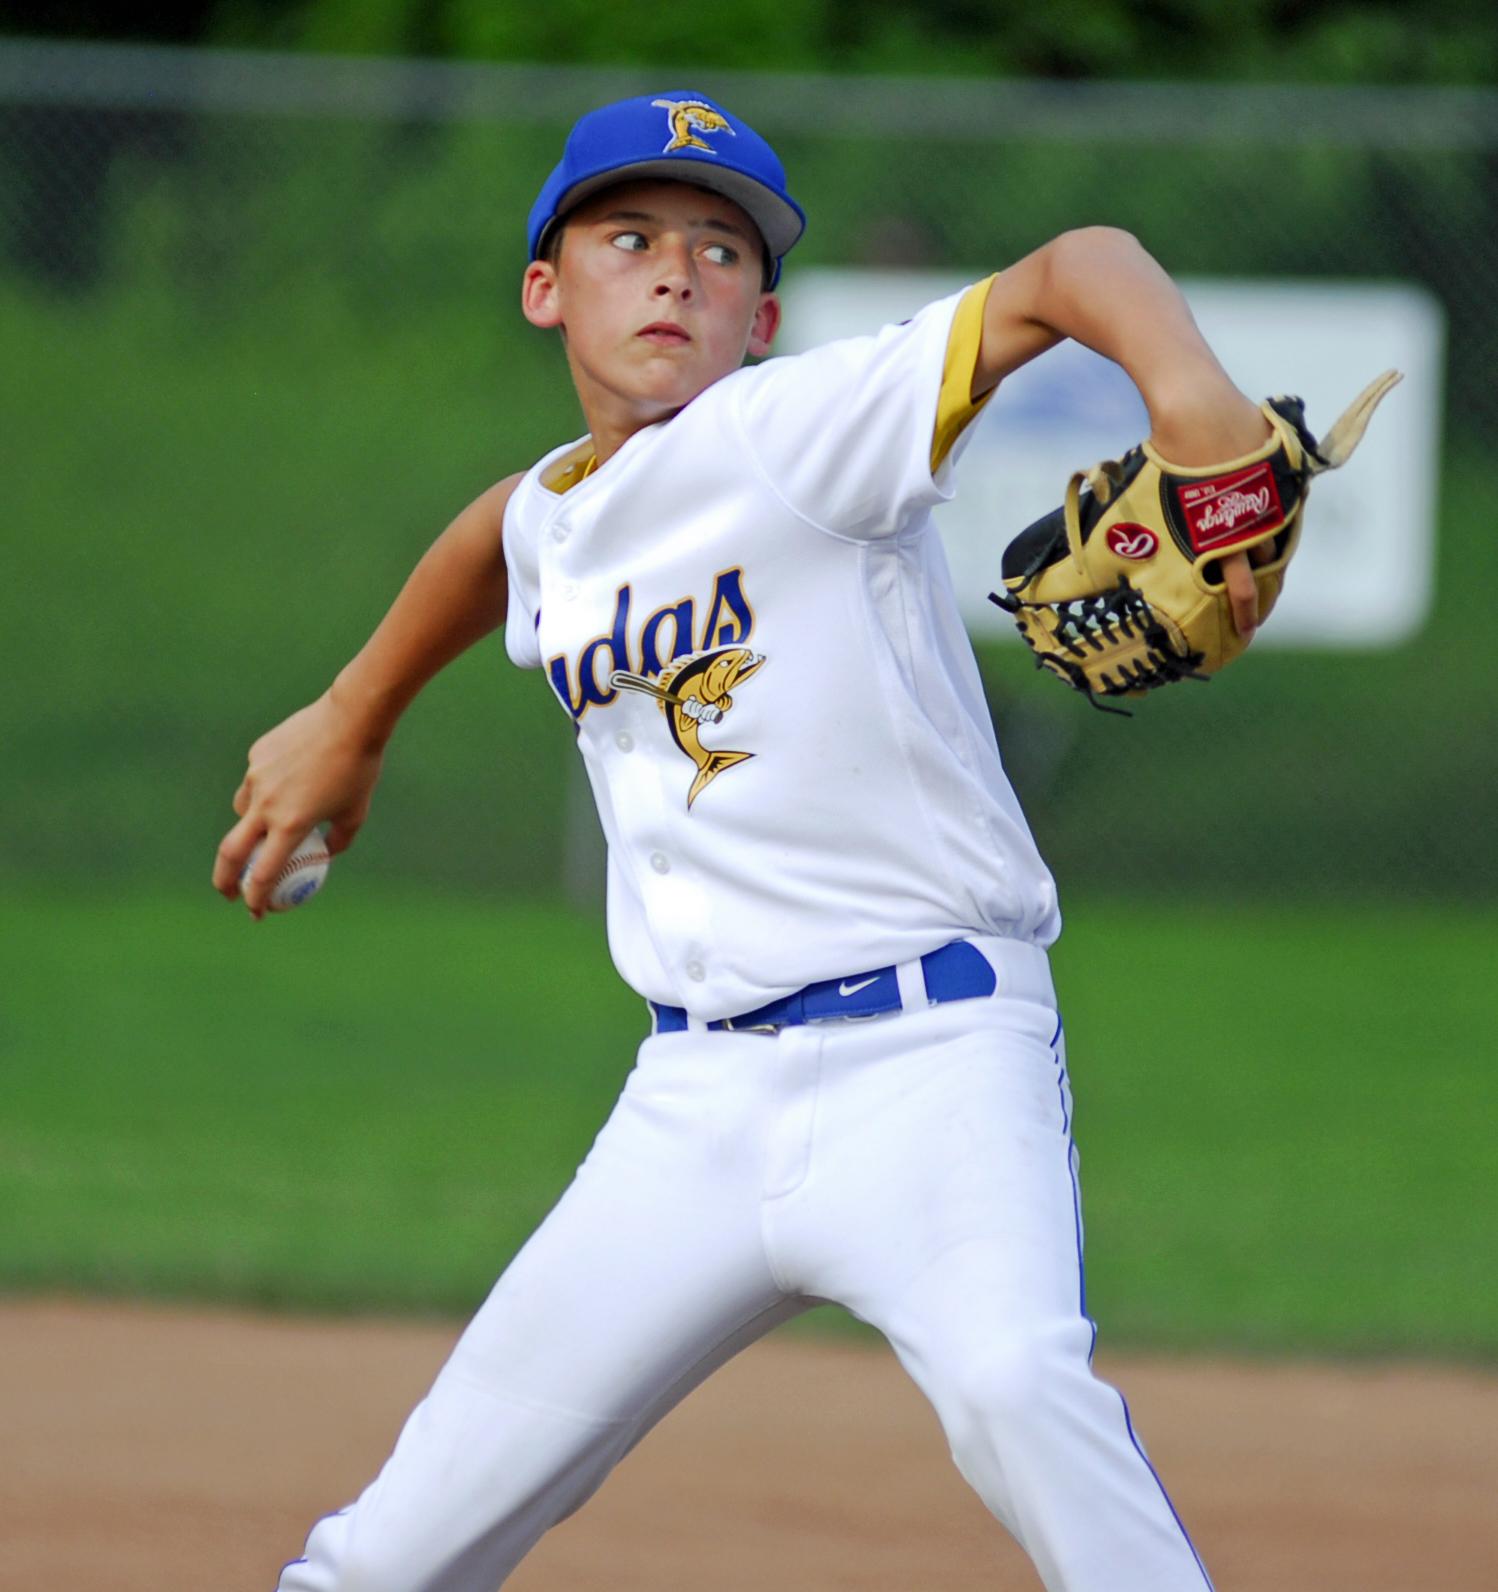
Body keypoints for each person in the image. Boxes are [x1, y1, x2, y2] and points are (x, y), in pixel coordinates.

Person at [215, 90, 1272, 1592]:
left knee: (1014, 1394)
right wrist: (356, 710)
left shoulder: (802, 430)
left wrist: (1196, 407)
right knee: (396, 1542)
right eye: (627, 238)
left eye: (719, 254)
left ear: (760, 317)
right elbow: (496, 536)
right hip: (693, 1104)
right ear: (545, 289)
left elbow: (1075, 264)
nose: (673, 273)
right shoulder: (563, 517)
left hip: (931, 1056)